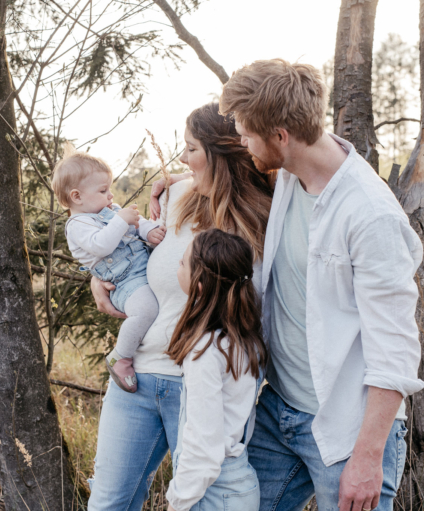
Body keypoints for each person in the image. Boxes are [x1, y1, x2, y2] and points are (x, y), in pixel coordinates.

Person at [219, 58, 424, 511]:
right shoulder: (293, 173)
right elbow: (226, 171)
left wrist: (369, 457)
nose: (242, 142)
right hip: (279, 410)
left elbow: (395, 349)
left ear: (281, 136)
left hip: (347, 427)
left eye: (247, 133)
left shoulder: (370, 215)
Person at [86, 103, 272, 511]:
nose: (183, 159)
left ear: (220, 153)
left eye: (191, 149)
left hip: (201, 388)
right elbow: (128, 254)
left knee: (198, 497)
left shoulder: (261, 221)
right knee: (107, 503)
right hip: (138, 375)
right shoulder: (178, 195)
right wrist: (99, 280)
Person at [165, 228, 267, 511]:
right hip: (241, 487)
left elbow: (204, 443)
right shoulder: (248, 341)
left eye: (183, 263)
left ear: (199, 285)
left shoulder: (206, 352)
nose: (178, 266)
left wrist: (178, 502)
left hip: (213, 493)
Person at [52, 145, 166, 392]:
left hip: (141, 268)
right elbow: (101, 245)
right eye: (103, 190)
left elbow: (138, 223)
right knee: (146, 309)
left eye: (110, 189)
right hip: (123, 283)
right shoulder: (77, 225)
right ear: (77, 196)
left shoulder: (109, 211)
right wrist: (120, 220)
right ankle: (120, 357)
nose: (111, 196)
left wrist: (149, 230)